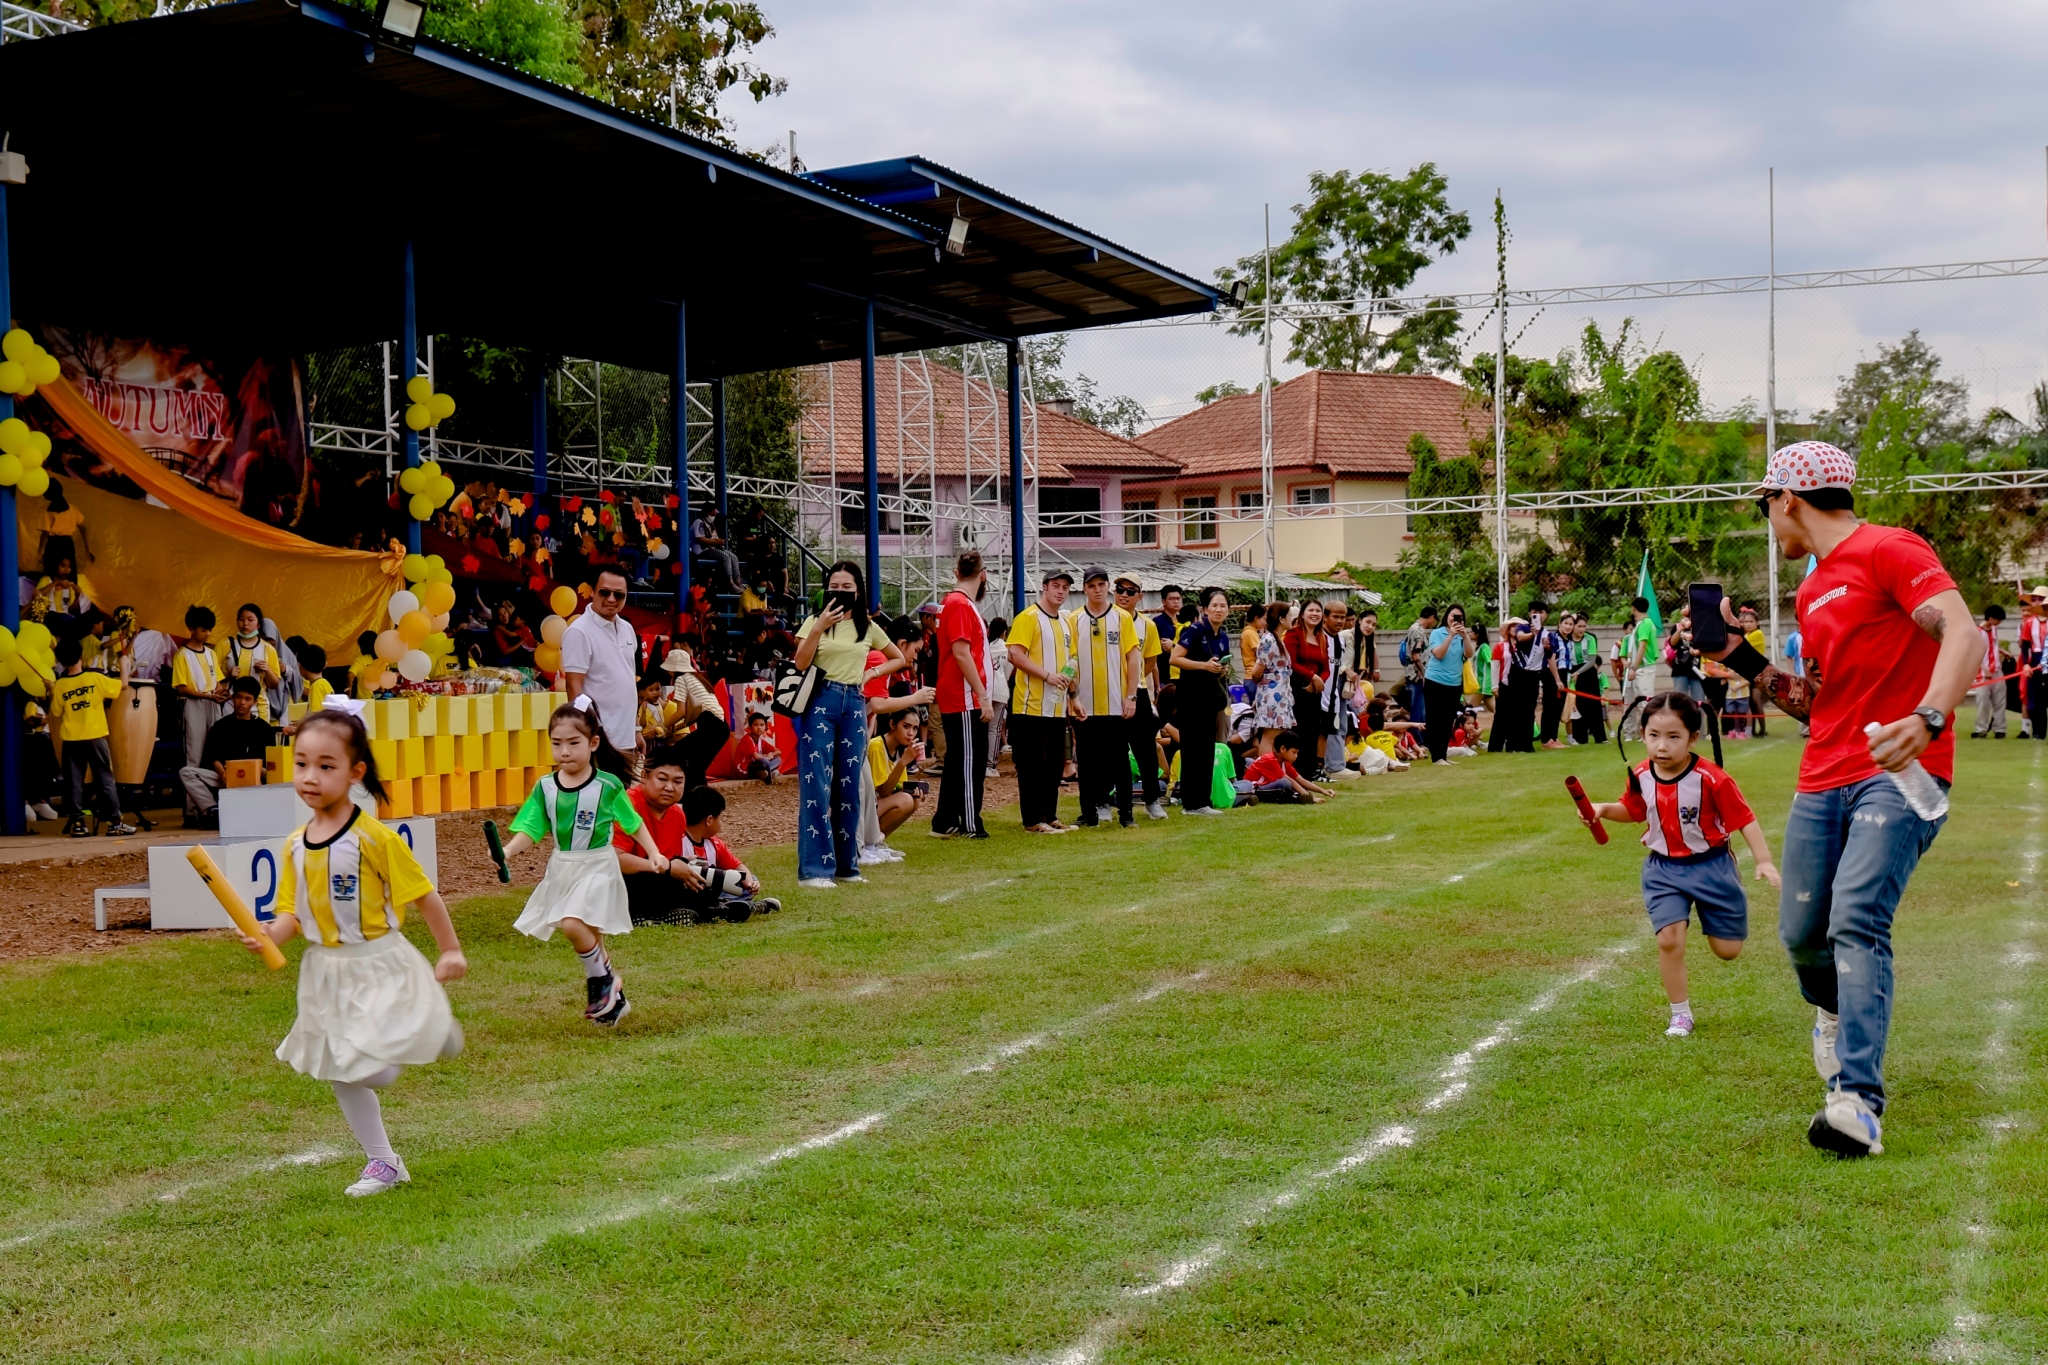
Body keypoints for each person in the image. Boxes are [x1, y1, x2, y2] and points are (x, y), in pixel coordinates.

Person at [1701, 440, 1981, 1157]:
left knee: (1856, 916)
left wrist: (1928, 717)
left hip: (1902, 772)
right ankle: (1832, 1009)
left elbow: (1963, 632)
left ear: (1786, 498)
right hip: (1824, 774)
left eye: (1765, 506)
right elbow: (1817, 701)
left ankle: (1856, 1102)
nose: (1769, 521)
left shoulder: (1891, 548)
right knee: (1802, 934)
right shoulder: (1811, 590)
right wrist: (1738, 655)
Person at [235, 705, 465, 1198]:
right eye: (301, 763)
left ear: (355, 772)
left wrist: (450, 950)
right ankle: (384, 1162)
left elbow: (424, 896)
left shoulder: (374, 839)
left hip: (378, 961)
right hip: (325, 972)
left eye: (326, 765)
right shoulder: (295, 845)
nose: (310, 777)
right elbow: (292, 914)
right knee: (340, 1070)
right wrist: (269, 936)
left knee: (371, 1068)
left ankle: (430, 1023)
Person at [1578, 691, 1779, 1039]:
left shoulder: (1712, 778)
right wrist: (1603, 809)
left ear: (1692, 738)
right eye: (1653, 735)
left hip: (1712, 866)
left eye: (1673, 737)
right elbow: (1634, 810)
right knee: (1669, 940)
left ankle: (1723, 909)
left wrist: (1764, 860)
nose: (1662, 746)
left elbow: (1744, 819)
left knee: (1727, 951)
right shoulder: (1641, 774)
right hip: (1663, 870)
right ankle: (1680, 1014)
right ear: (1643, 734)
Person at [499, 698, 668, 1025]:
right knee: (590, 933)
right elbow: (531, 828)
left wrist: (654, 852)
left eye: (573, 743)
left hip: (598, 866)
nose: (564, 751)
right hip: (562, 868)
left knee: (573, 924)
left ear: (593, 743)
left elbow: (632, 823)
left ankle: (602, 981)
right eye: (556, 743)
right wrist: (506, 851)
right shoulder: (545, 787)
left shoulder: (608, 785)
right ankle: (615, 1003)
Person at [793, 561, 906, 886]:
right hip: (820, 701)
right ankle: (814, 870)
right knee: (816, 784)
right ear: (826, 589)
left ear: (858, 592)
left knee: (849, 787)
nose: (840, 592)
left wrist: (871, 673)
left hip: (854, 703)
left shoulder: (867, 626)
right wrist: (818, 627)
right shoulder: (814, 621)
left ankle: (846, 867)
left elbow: (898, 658)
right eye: (834, 587)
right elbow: (800, 663)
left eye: (847, 587)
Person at [615, 749, 773, 925]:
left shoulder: (677, 815)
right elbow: (616, 861)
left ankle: (714, 909)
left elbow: (670, 863)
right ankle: (710, 910)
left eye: (677, 781)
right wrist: (670, 868)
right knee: (655, 885)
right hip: (624, 883)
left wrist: (683, 865)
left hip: (659, 880)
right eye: (662, 779)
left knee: (705, 882)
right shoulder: (626, 805)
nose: (669, 787)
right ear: (644, 776)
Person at [1065, 566, 1142, 828]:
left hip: (1116, 704)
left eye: (1101, 585)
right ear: (1084, 589)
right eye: (1092, 585)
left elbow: (1133, 658)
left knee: (1120, 761)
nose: (1097, 590)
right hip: (1084, 705)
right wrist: (1071, 696)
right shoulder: (1073, 620)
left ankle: (1126, 814)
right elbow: (1068, 661)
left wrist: (1131, 696)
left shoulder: (1122, 618)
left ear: (1108, 587)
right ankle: (1089, 813)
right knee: (1087, 763)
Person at [1007, 569, 1076, 833]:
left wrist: (1072, 694)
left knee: (1054, 765)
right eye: (1056, 586)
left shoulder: (1065, 622)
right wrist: (1046, 675)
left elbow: (1071, 661)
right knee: (1032, 766)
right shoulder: (1028, 617)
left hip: (1056, 706)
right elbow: (1015, 654)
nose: (1061, 591)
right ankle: (1033, 819)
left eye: (1065, 587)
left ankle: (1050, 815)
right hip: (1030, 706)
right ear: (1044, 587)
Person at [932, 551, 994, 838]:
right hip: (964, 696)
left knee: (959, 760)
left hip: (961, 694)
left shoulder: (956, 602)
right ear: (983, 574)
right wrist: (982, 694)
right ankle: (970, 822)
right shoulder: (959, 604)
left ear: (957, 572)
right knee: (970, 761)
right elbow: (961, 652)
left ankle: (945, 819)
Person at [51, 636, 135, 837]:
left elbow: (56, 711)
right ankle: (115, 823)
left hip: (71, 739)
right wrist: (124, 665)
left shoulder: (61, 685)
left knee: (74, 782)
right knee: (105, 779)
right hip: (95, 736)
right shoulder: (94, 678)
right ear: (81, 655)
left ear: (61, 660)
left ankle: (79, 824)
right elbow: (123, 685)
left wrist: (51, 690)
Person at [560, 568, 644, 758]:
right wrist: (589, 735)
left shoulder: (627, 629)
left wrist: (636, 729)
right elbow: (573, 688)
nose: (611, 599)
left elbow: (628, 683)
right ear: (592, 591)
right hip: (598, 741)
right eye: (604, 592)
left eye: (619, 595)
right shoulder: (579, 631)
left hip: (627, 739)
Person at [1170, 586, 1234, 817]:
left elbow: (1216, 665)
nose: (1219, 609)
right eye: (1214, 605)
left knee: (1207, 748)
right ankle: (1190, 804)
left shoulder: (1223, 636)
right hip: (1190, 697)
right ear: (1205, 609)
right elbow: (1175, 658)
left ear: (1228, 611)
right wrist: (1204, 666)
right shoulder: (1195, 630)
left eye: (1223, 606)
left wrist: (1220, 669)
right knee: (1192, 749)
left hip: (1210, 698)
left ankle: (1202, 802)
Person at [180, 677, 274, 827]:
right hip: (226, 777)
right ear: (232, 698)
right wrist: (222, 772)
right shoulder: (221, 726)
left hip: (255, 781)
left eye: (247, 699)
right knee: (186, 772)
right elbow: (212, 756)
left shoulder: (264, 729)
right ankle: (213, 810)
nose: (242, 703)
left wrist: (258, 772)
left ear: (255, 702)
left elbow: (270, 762)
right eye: (238, 697)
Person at [1112, 577, 1167, 819]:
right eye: (1120, 590)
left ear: (1140, 596)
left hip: (1139, 691)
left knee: (1145, 748)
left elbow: (1150, 661)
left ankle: (1152, 799)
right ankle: (1107, 801)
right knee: (1112, 749)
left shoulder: (1147, 625)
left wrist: (1134, 686)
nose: (1124, 595)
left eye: (1130, 591)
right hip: (1110, 691)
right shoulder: (1106, 619)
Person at [658, 647, 728, 788]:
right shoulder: (697, 678)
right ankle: (700, 795)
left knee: (680, 755)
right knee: (697, 765)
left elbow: (681, 711)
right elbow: (695, 714)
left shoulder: (681, 679)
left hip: (711, 727)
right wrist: (675, 728)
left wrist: (662, 726)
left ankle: (694, 795)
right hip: (720, 727)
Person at [172, 606, 230, 769]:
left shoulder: (211, 653)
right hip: (192, 705)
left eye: (210, 630)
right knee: (194, 750)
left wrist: (222, 692)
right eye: (204, 630)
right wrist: (209, 696)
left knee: (215, 748)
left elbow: (216, 683)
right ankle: (191, 785)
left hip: (212, 703)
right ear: (191, 629)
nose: (208, 634)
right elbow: (182, 688)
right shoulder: (182, 655)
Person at [1422, 603, 1472, 765]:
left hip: (1454, 683)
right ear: (1447, 617)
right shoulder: (1437, 633)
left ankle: (1442, 755)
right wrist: (1450, 635)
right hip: (1435, 681)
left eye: (1459, 617)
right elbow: (1439, 654)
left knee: (1448, 721)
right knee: (1435, 719)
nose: (1455, 619)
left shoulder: (1462, 636)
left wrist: (1465, 637)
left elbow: (1469, 654)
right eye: (1452, 616)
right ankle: (1436, 756)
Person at [220, 603, 286, 726]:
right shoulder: (225, 644)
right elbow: (211, 677)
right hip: (230, 703)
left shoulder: (268, 649)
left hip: (258, 705)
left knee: (258, 737)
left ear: (258, 624)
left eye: (250, 620)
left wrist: (267, 670)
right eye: (241, 619)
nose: (245, 623)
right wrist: (228, 675)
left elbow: (274, 684)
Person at [869, 707, 926, 841]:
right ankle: (871, 843)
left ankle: (877, 842)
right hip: (863, 807)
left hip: (876, 805)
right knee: (905, 800)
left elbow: (898, 786)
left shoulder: (899, 749)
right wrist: (903, 763)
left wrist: (914, 791)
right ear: (892, 724)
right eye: (906, 726)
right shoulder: (876, 746)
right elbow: (883, 791)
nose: (911, 733)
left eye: (915, 728)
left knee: (913, 800)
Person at [1238, 730, 1333, 805]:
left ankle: (1297, 796)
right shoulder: (1270, 759)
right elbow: (1290, 780)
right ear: (1283, 749)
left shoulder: (1283, 762)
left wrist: (1323, 791)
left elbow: (1301, 780)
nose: (1296, 756)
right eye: (1294, 752)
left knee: (1288, 784)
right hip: (1254, 788)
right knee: (1285, 783)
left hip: (1265, 787)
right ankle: (1296, 798)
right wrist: (1310, 797)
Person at [1247, 602, 1292, 758]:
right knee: (1270, 737)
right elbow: (1256, 672)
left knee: (1277, 736)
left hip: (1280, 693)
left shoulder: (1277, 639)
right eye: (1289, 615)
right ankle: (1265, 768)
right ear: (1281, 619)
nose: (1292, 619)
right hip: (1272, 694)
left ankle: (1272, 768)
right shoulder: (1269, 640)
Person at [1488, 616, 1537, 753]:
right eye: (1513, 626)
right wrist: (1494, 686)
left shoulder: (1527, 647)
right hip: (1504, 684)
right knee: (1501, 716)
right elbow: (1495, 666)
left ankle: (1514, 745)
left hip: (1521, 685)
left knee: (1517, 715)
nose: (1515, 628)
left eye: (1518, 626)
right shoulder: (1500, 646)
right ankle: (1495, 747)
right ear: (1508, 629)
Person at [706, 711, 781, 784]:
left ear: (765, 727)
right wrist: (767, 757)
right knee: (764, 761)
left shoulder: (761, 741)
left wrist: (771, 755)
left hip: (757, 764)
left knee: (778, 759)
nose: (759, 728)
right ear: (750, 727)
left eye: (762, 725)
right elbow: (757, 757)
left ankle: (766, 772)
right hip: (744, 768)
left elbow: (778, 751)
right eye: (755, 725)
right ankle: (769, 773)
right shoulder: (747, 739)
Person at [1619, 596, 1657, 740]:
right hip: (1641, 667)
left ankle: (1650, 732)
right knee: (1638, 702)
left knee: (1645, 703)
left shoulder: (1645, 624)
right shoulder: (1641, 624)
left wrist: (1634, 667)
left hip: (1644, 667)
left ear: (1634, 608)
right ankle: (1644, 732)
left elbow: (1642, 646)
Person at [1972, 603, 2008, 738]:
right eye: (1998, 619)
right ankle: (1981, 729)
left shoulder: (1994, 630)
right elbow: (1972, 652)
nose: (1999, 623)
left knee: (2000, 701)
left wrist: (2002, 651)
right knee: (1983, 701)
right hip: (1983, 673)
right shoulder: (1977, 632)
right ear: (1991, 618)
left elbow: (1992, 645)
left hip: (1997, 670)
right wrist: (1983, 667)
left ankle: (2000, 729)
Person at [1570, 615, 1607, 745]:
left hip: (1588, 672)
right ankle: (1580, 737)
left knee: (1594, 704)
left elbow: (1591, 661)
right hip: (1572, 672)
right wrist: (1572, 673)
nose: (1582, 629)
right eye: (1579, 626)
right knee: (1578, 704)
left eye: (1584, 626)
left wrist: (1578, 672)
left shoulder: (1590, 639)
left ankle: (1600, 737)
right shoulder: (1567, 639)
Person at [2019, 586, 2048, 741]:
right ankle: (2038, 732)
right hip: (2035, 659)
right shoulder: (2029, 622)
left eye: (2039, 599)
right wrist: (2026, 664)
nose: (2036, 602)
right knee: (2035, 699)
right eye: (2034, 599)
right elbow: (2025, 645)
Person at [690, 509, 743, 591]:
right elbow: (700, 538)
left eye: (715, 515)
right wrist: (715, 541)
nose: (714, 517)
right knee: (725, 557)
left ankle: (738, 582)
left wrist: (719, 541)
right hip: (702, 551)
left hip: (713, 548)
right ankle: (730, 582)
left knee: (734, 557)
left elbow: (714, 538)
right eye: (712, 514)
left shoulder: (711, 525)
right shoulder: (698, 522)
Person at [1403, 606, 1436, 722]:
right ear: (1431, 617)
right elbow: (1416, 656)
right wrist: (1424, 674)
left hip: (1416, 676)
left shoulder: (1416, 629)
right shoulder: (1417, 631)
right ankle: (1417, 733)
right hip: (1417, 677)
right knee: (1418, 710)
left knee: (1419, 709)